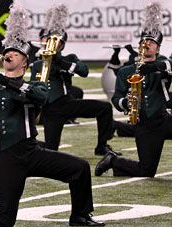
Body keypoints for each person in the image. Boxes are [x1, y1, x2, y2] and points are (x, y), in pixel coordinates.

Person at [0, 4, 105, 227]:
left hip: (31, 150)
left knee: (79, 168)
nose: (8, 55)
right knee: (4, 219)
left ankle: (80, 215)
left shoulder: (31, 83)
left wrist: (7, 82)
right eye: (6, 52)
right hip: (6, 156)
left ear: (24, 61)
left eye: (14, 53)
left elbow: (39, 97)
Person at [95, 2, 172, 178]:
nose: (147, 44)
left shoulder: (163, 64)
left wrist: (154, 67)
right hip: (144, 125)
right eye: (144, 41)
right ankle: (113, 160)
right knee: (147, 172)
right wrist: (126, 103)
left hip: (164, 119)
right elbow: (116, 97)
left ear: (158, 48)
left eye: (151, 42)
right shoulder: (127, 70)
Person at [30, 4, 121, 155]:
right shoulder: (38, 63)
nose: (52, 45)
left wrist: (61, 63)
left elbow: (84, 71)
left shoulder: (69, 58)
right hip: (50, 109)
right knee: (51, 150)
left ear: (63, 46)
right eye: (50, 41)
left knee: (104, 108)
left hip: (67, 103)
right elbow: (33, 86)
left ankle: (102, 146)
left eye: (57, 42)